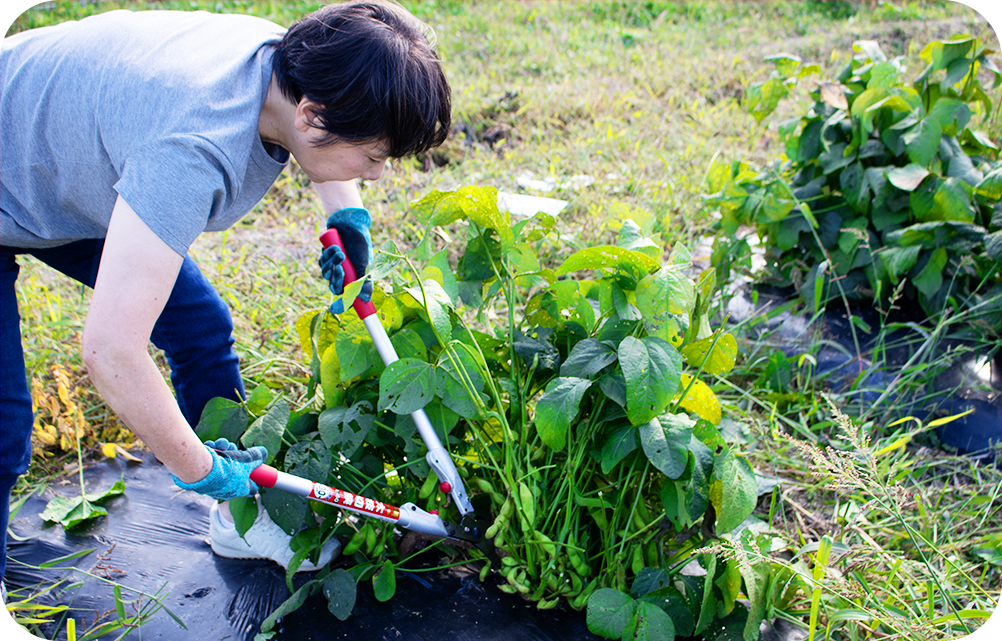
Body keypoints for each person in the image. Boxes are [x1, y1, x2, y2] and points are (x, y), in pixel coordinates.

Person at [0, 0, 451, 614]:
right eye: (372, 159)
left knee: (200, 327)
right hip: (20, 168)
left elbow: (322, 130)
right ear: (314, 115)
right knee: (3, 425)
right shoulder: (192, 148)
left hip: (63, 163)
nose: (374, 175)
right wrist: (197, 466)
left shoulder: (291, 64)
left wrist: (346, 214)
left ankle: (240, 518)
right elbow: (109, 351)